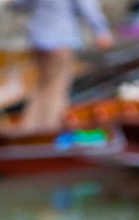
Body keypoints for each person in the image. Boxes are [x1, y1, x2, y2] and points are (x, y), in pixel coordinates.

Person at [13, 0, 113, 131]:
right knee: (57, 89)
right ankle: (46, 133)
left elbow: (18, 4)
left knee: (42, 86)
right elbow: (87, 7)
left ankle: (29, 130)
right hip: (60, 41)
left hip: (37, 39)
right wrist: (101, 31)